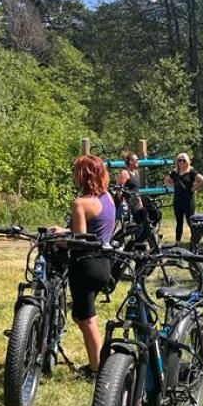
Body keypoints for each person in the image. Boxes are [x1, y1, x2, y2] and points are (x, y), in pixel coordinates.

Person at [63, 154, 118, 378]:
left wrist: (59, 238)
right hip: (104, 263)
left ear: (83, 176)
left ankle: (97, 368)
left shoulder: (80, 203)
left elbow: (80, 240)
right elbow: (93, 232)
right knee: (81, 315)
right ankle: (99, 362)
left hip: (85, 265)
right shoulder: (108, 199)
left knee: (87, 319)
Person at [165, 153, 203, 244]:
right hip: (177, 200)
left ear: (187, 161)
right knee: (179, 222)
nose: (182, 162)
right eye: (180, 160)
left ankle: (194, 241)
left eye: (184, 160)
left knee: (190, 222)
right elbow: (166, 180)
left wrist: (193, 188)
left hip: (189, 200)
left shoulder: (191, 171)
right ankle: (177, 242)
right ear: (177, 161)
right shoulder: (175, 172)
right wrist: (172, 186)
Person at [115, 151, 143, 219]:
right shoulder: (125, 173)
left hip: (135, 202)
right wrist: (123, 203)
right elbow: (119, 189)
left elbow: (136, 190)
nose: (138, 162)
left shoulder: (136, 172)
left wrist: (140, 202)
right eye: (136, 160)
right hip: (126, 204)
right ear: (130, 162)